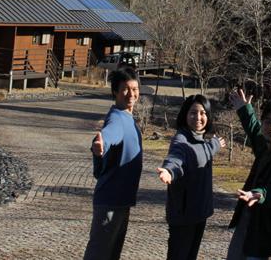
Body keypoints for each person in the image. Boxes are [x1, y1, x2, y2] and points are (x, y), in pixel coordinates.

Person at [226, 89, 271, 260]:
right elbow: (254, 131)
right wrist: (244, 109)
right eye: (267, 122)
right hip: (249, 219)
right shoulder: (268, 147)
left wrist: (260, 194)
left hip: (266, 226)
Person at [157, 94, 227, 260]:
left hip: (199, 214)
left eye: (203, 113)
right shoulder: (181, 140)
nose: (198, 117)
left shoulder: (202, 141)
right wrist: (169, 171)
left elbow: (202, 152)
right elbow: (176, 158)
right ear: (185, 115)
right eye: (193, 113)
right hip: (183, 217)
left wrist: (215, 145)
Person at [83, 68, 143, 260]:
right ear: (115, 92)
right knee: (99, 254)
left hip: (121, 201)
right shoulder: (118, 118)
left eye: (134, 89)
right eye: (125, 89)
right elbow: (110, 134)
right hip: (110, 202)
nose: (131, 94)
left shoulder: (128, 117)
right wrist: (100, 146)